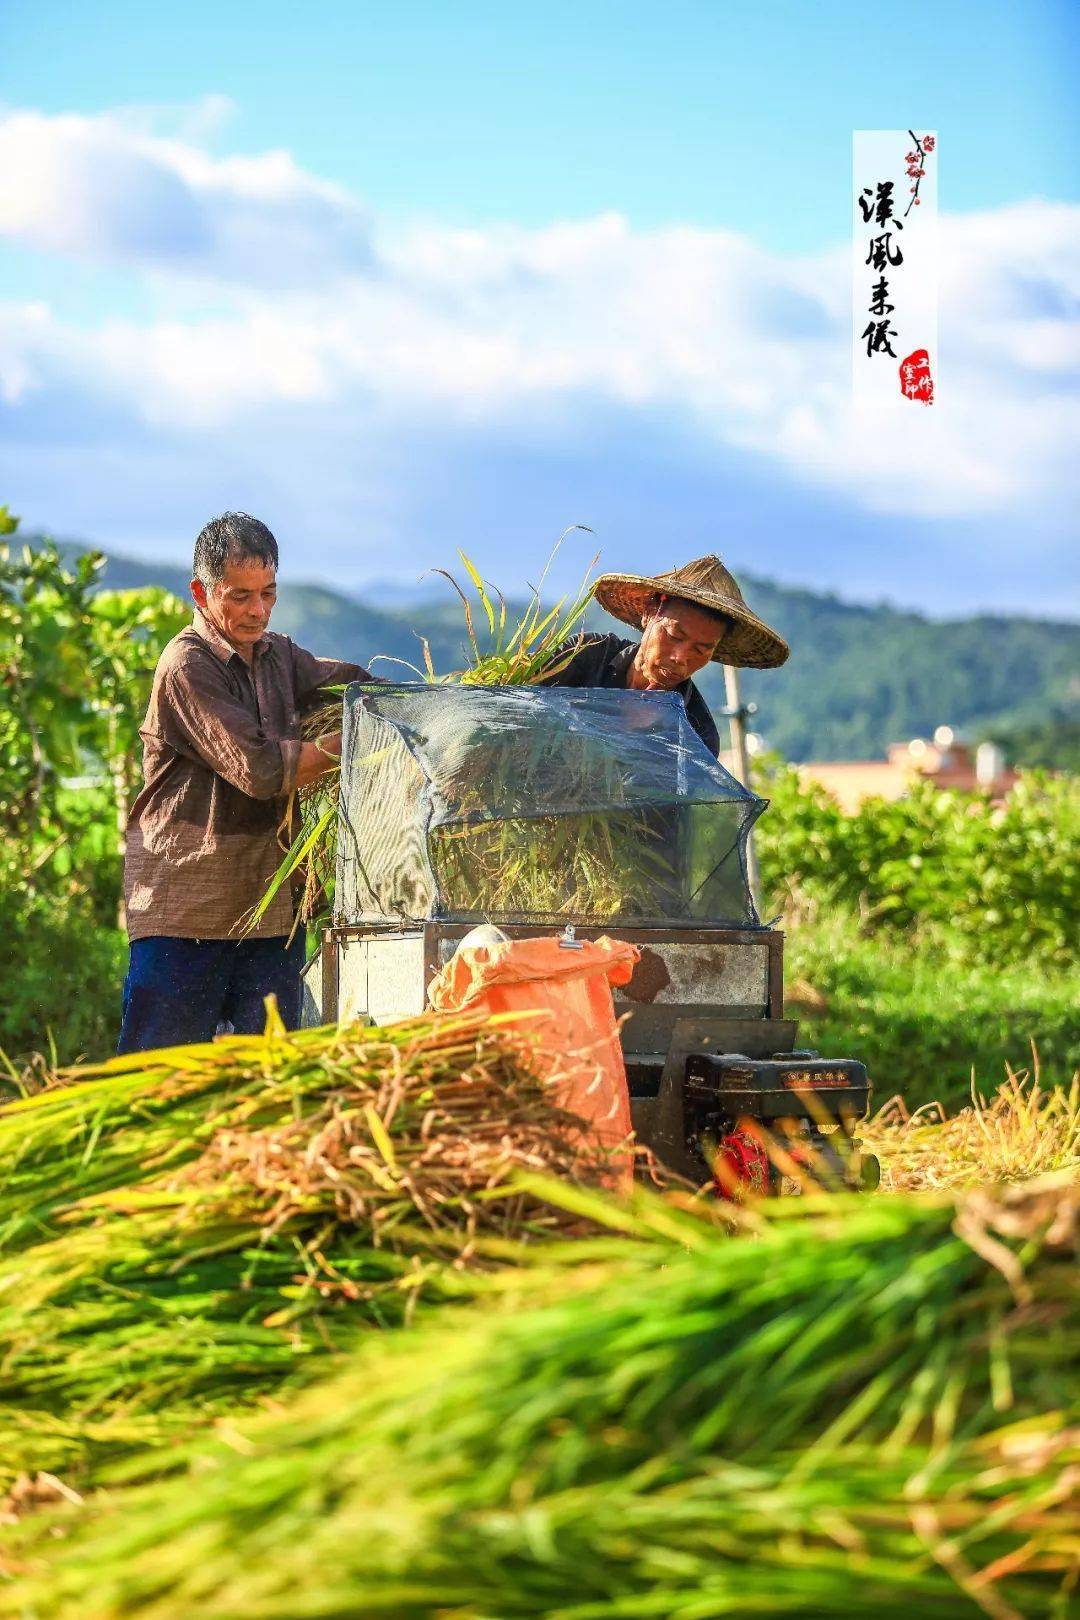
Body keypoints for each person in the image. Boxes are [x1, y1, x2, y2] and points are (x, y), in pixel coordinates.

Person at [117, 512, 371, 1054]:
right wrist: (358, 741)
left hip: (270, 910)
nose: (257, 611)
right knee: (160, 1083)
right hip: (189, 910)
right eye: (239, 596)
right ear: (201, 591)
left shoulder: (278, 656)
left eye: (268, 594)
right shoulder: (187, 665)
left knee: (269, 1082)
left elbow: (351, 684)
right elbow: (258, 770)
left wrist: (422, 702)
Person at [540, 553, 789, 755]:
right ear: (650, 612)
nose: (681, 657)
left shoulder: (696, 732)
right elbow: (516, 706)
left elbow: (668, 814)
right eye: (674, 636)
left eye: (701, 649)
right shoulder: (586, 655)